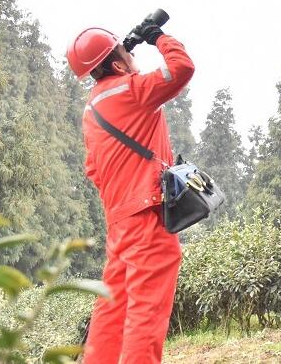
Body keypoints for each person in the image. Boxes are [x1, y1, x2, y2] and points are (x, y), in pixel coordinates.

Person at [66, 20, 195, 364]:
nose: (130, 54)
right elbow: (182, 68)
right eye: (125, 51)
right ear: (119, 64)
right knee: (145, 312)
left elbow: (93, 169)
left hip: (119, 222)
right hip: (147, 217)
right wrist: (157, 37)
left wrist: (124, 191)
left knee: (113, 306)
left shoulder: (92, 110)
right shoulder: (132, 90)